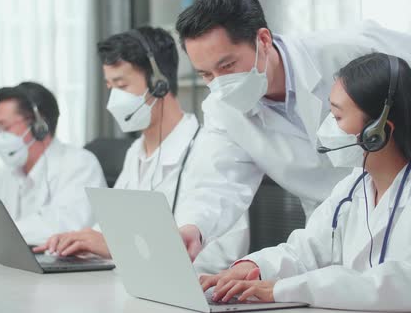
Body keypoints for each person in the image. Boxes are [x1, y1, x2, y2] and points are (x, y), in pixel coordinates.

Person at [200, 53, 411, 312]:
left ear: (378, 131)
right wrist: (253, 268)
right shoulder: (355, 185)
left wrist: (284, 289)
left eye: (338, 116)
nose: (329, 128)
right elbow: (308, 248)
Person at [173, 0, 411, 262]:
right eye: (206, 75)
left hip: (402, 201)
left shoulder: (345, 50)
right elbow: (217, 182)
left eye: (227, 66)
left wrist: (403, 135)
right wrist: (195, 227)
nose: (220, 83)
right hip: (327, 227)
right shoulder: (222, 109)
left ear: (263, 41)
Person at [33, 27, 249, 274]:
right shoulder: (136, 151)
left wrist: (115, 247)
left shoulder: (210, 148)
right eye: (110, 86)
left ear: (160, 84)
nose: (114, 99)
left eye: (122, 85)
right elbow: (109, 231)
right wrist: (80, 242)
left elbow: (221, 256)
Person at [0, 82, 106, 244]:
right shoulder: (15, 170)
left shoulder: (79, 163)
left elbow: (61, 227)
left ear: (39, 126)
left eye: (5, 127)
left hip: (70, 271)